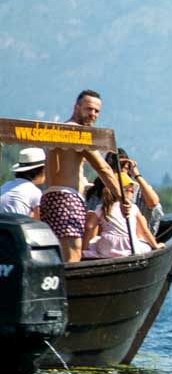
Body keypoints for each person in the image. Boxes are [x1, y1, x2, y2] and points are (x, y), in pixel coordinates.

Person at [41, 90, 120, 262]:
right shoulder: (77, 134)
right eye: (88, 109)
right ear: (76, 107)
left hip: (48, 198)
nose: (93, 114)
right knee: (72, 254)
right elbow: (103, 168)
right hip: (67, 199)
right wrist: (122, 198)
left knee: (56, 256)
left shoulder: (58, 130)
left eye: (96, 111)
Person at [81, 173, 161, 259]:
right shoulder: (133, 208)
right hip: (129, 247)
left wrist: (83, 250)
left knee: (94, 243)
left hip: (106, 247)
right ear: (123, 192)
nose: (133, 192)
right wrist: (155, 246)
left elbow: (89, 226)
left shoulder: (102, 207)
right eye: (131, 190)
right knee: (147, 246)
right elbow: (145, 231)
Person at [0, 147, 47, 217]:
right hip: (18, 227)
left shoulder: (5, 185)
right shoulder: (34, 191)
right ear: (40, 171)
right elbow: (39, 221)